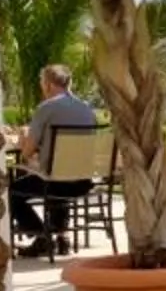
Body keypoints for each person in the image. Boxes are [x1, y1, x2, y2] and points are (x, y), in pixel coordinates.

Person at [9, 65, 102, 256]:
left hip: (55, 183)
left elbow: (27, 152)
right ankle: (62, 236)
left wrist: (25, 143)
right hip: (83, 182)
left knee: (12, 193)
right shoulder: (88, 110)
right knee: (60, 172)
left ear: (49, 85)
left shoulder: (46, 108)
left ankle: (42, 236)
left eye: (42, 84)